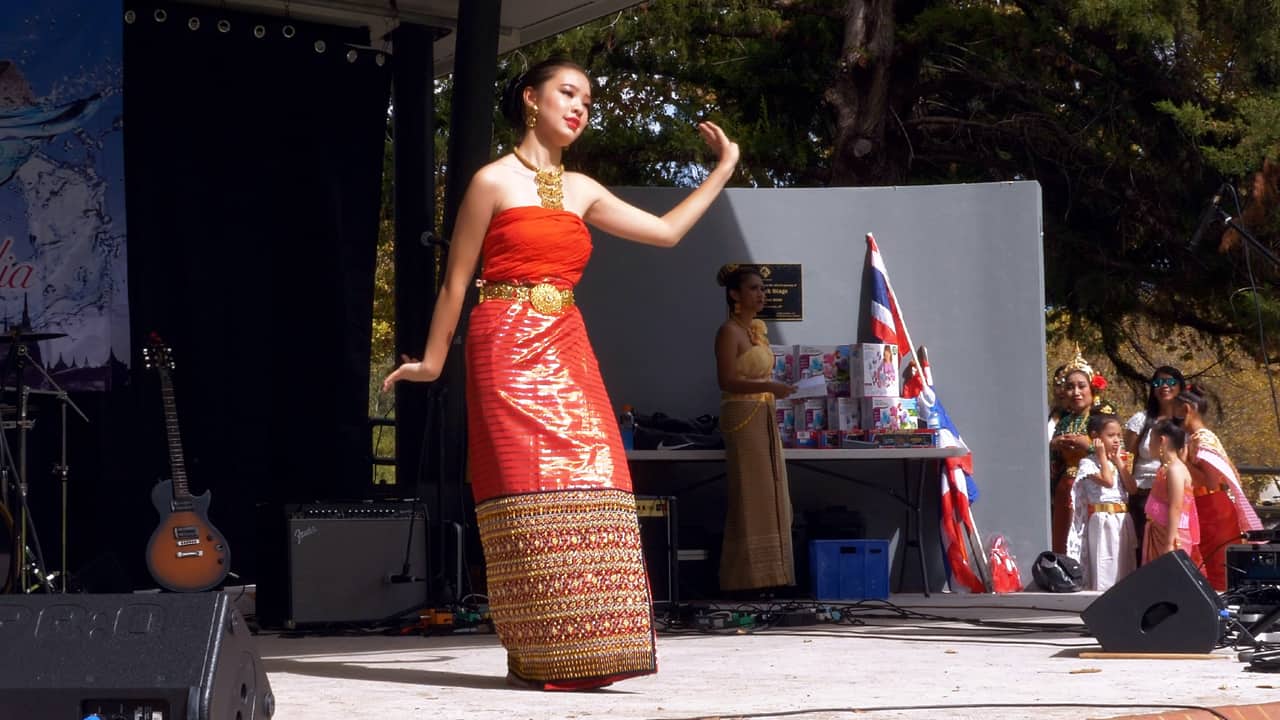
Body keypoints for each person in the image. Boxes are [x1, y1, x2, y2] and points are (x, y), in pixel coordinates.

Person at [382, 57, 740, 690]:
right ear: (531, 99)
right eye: (567, 93)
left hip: (567, 343)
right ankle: (544, 651)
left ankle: (598, 647)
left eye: (587, 100)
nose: (579, 107)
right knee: (525, 486)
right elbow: (456, 283)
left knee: (598, 473)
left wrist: (723, 169)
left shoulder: (584, 189)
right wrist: (434, 361)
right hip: (505, 347)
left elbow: (664, 233)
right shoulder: (491, 182)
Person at [714, 264, 797, 592]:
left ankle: (775, 574)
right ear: (735, 294)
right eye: (753, 288)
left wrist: (774, 390)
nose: (760, 294)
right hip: (742, 414)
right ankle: (747, 577)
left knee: (773, 488)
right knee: (751, 491)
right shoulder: (728, 331)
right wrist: (770, 387)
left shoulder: (757, 330)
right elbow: (726, 380)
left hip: (764, 412)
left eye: (763, 288)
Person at [1175, 385, 1262, 590]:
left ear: (1186, 409)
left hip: (1213, 508)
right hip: (1207, 507)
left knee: (1217, 566)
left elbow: (1211, 482)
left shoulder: (1203, 439)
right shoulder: (1195, 438)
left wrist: (1182, 463)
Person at [1048, 347, 1117, 554]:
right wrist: (1055, 445)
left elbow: (1115, 450)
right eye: (1070, 387)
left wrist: (1086, 444)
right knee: (1063, 537)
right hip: (1065, 486)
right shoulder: (1064, 421)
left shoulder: (1103, 417)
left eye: (1081, 386)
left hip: (1093, 487)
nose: (1076, 392)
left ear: (1092, 389)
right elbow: (1053, 459)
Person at [1067, 414, 1137, 591]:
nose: (1116, 440)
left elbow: (1132, 488)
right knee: (1106, 563)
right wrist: (1102, 456)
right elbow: (1108, 481)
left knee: (1124, 562)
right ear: (1096, 437)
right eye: (1111, 435)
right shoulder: (1088, 463)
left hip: (1122, 518)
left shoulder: (1117, 462)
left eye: (1118, 436)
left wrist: (1120, 463)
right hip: (1103, 520)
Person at [1124, 366, 1185, 552]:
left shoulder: (1185, 421)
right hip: (1142, 493)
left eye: (1169, 382)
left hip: (1174, 494)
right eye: (1158, 383)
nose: (1163, 386)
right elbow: (1129, 458)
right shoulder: (1141, 420)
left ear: (1180, 387)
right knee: (1142, 548)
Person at [1142, 419, 1200, 565]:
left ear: (1161, 440)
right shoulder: (1166, 468)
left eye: (1150, 441)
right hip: (1158, 531)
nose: (1149, 445)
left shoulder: (1175, 469)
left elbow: (1176, 506)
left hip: (1170, 534)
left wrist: (1168, 543)